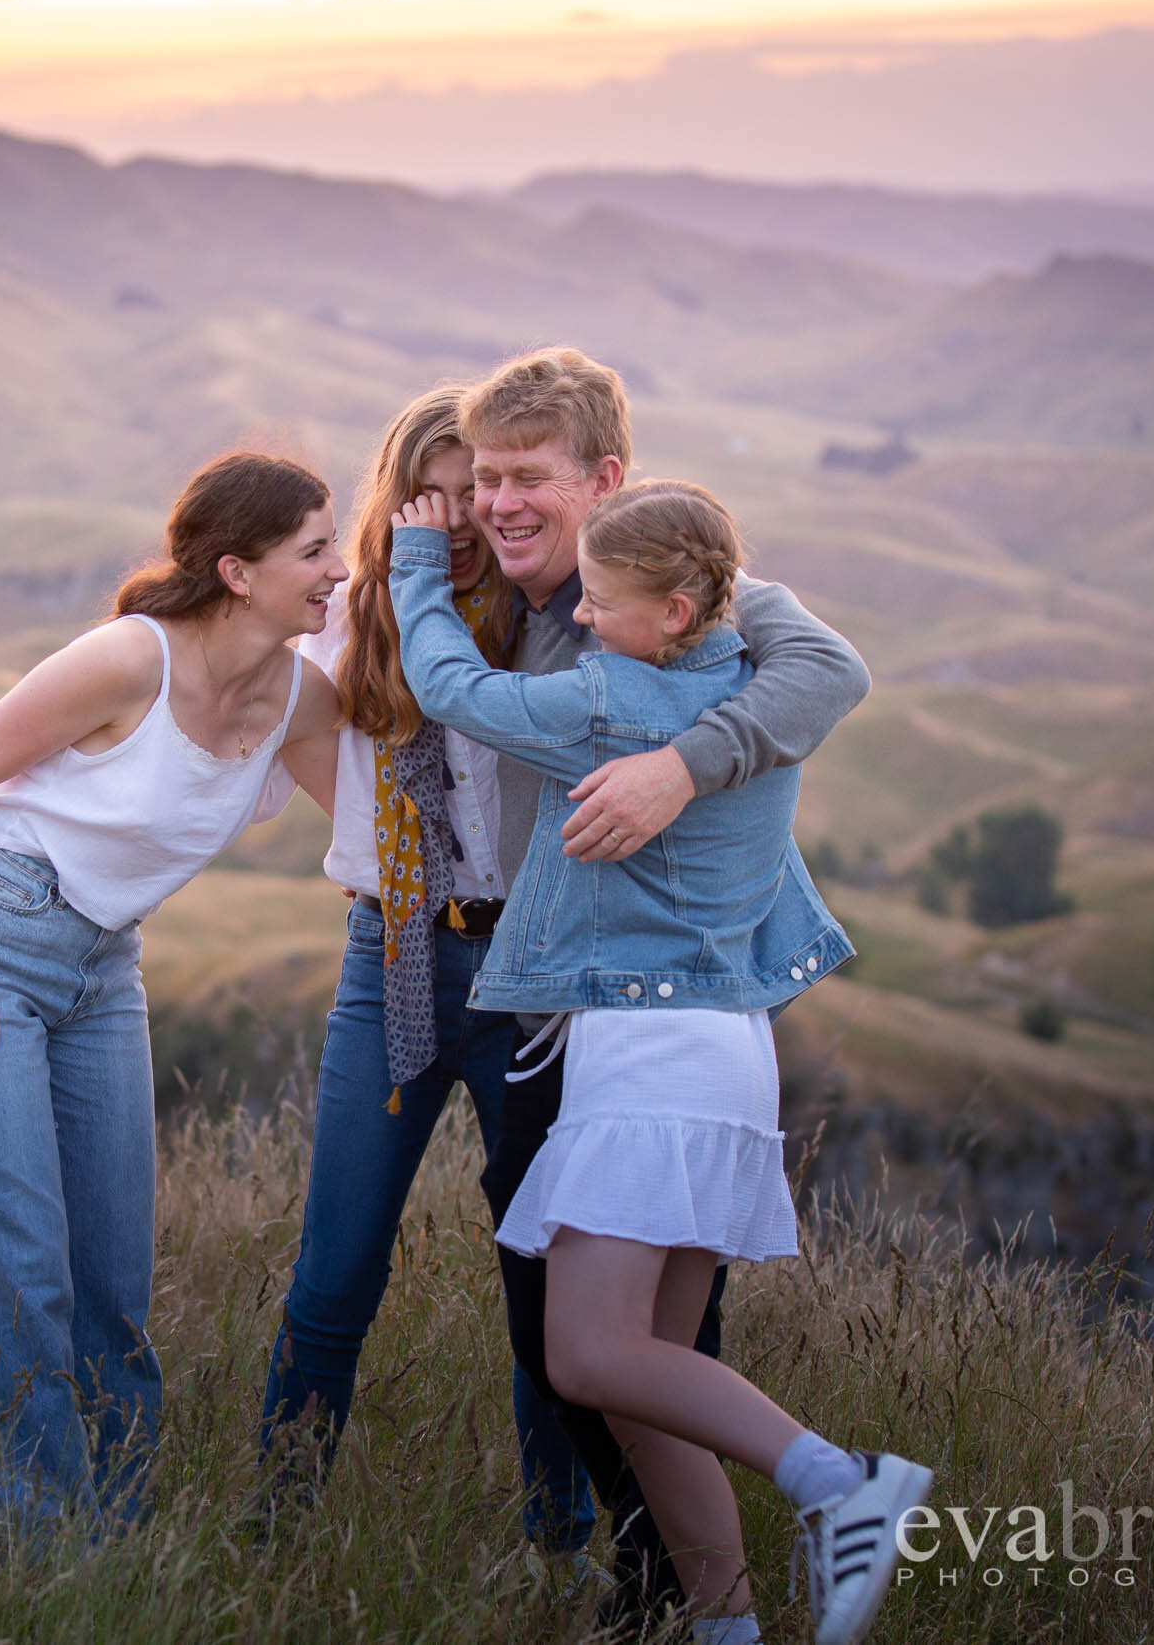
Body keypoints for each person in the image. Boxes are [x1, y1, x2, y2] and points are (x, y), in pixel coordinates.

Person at [257, 382, 870, 1608]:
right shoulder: (418, 605)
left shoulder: (642, 594)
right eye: (463, 491)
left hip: (569, 992)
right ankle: (283, 1530)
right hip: (424, 957)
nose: (486, 512)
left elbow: (828, 667)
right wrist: (385, 858)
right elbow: (303, 708)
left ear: (600, 480)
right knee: (364, 1276)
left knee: (572, 1304)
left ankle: (627, 1559)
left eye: (506, 484)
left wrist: (678, 770)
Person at [390, 477, 929, 1645]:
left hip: (646, 1059)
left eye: (603, 598)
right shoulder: (756, 687)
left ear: (677, 611)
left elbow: (445, 686)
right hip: (730, 1053)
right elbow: (806, 648)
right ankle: (725, 1627)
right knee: (652, 1386)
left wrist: (417, 564)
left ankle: (842, 1482)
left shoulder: (601, 701)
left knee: (584, 1352)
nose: (581, 616)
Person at [0, 450, 345, 1534]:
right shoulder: (127, 660)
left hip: (103, 968)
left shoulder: (299, 694)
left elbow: (377, 832)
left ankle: (123, 1533)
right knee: (14, 1271)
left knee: (109, 1280)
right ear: (238, 571)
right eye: (317, 550)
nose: (339, 570)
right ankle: (38, 1553)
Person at [255, 385, 596, 1551]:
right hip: (391, 951)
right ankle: (276, 1527)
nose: (455, 515)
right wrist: (366, 841)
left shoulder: (545, 620)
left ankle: (558, 1541)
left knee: (540, 1274)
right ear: (396, 495)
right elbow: (256, 693)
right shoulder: (353, 616)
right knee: (335, 1272)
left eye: (475, 491)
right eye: (431, 492)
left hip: (527, 972)